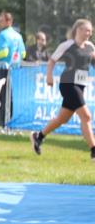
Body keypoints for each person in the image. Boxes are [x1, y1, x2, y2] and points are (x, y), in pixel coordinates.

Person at [30, 19, 95, 162]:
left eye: (91, 30)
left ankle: (38, 136)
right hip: (68, 84)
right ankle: (93, 150)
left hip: (80, 85)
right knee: (86, 116)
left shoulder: (90, 47)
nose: (89, 33)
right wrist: (49, 76)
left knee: (62, 119)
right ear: (78, 29)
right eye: (87, 30)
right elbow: (52, 60)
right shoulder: (67, 45)